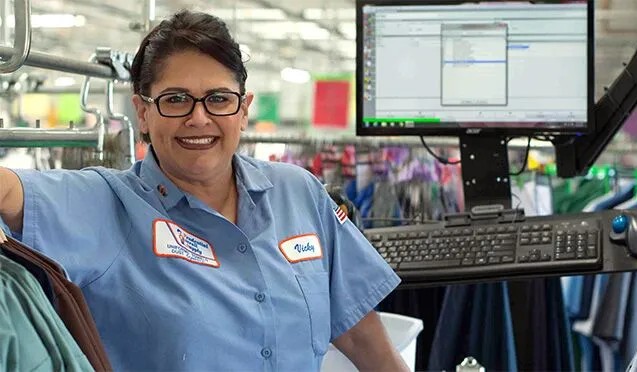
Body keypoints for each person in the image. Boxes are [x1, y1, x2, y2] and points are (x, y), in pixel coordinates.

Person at [0, 10, 407, 371]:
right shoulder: (104, 204)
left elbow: (356, 332)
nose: (199, 118)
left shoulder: (298, 193)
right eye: (176, 100)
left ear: (243, 109)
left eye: (218, 99)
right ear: (142, 111)